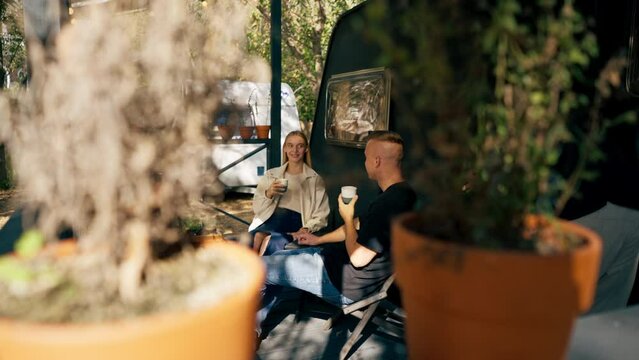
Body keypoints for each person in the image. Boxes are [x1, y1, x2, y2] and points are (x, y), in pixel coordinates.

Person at [257, 131, 416, 339]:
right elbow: (360, 225)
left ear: (377, 161)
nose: (365, 162)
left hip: (342, 283)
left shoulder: (388, 204)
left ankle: (248, 330)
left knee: (257, 268)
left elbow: (359, 259)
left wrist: (347, 217)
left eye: (366, 157)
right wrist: (318, 239)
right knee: (276, 257)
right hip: (332, 262)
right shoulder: (404, 194)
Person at [249, 130, 329, 255]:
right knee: (250, 238)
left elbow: (321, 215)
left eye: (300, 146)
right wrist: (269, 193)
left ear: (306, 149)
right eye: (290, 145)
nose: (295, 150)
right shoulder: (271, 174)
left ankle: (257, 268)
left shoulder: (314, 179)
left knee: (270, 242)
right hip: (271, 218)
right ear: (285, 148)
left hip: (296, 221)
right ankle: (252, 266)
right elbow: (257, 209)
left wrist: (307, 228)